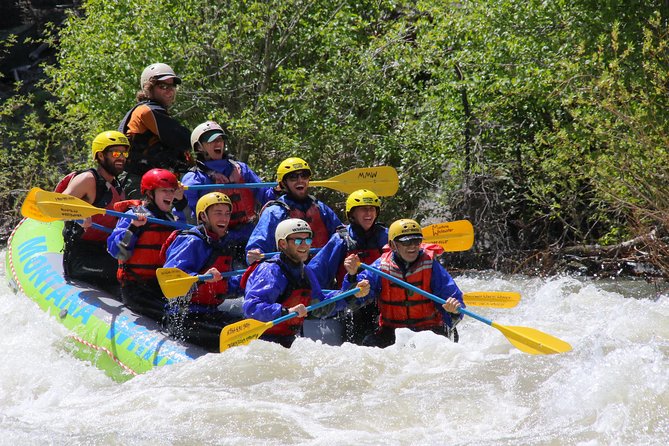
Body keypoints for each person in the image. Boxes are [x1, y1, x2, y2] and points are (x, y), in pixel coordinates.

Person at [242, 218, 370, 348]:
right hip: (262, 340)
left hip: (288, 340)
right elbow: (251, 307)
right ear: (282, 244)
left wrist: (352, 289)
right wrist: (286, 312)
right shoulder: (270, 271)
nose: (304, 245)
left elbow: (321, 307)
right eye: (298, 240)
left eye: (308, 240)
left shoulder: (305, 272)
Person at [341, 218, 464, 348]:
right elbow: (351, 301)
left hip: (429, 332)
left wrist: (454, 310)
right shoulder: (380, 267)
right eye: (406, 242)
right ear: (393, 245)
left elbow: (454, 302)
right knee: (368, 344)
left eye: (417, 241)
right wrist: (353, 279)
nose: (413, 246)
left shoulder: (431, 266)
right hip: (392, 333)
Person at [161, 192, 246, 351]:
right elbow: (170, 279)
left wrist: (251, 277)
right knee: (235, 340)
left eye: (227, 214)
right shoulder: (192, 241)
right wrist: (200, 278)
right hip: (184, 316)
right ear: (204, 217)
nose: (224, 219)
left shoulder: (222, 243)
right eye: (218, 213)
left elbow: (226, 286)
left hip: (210, 313)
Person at [306, 189, 388, 344]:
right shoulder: (341, 239)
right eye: (363, 209)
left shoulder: (386, 236)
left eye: (372, 209)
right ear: (352, 214)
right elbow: (317, 272)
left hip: (382, 300)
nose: (368, 213)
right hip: (351, 301)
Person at [56, 130, 129, 294]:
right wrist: (79, 215)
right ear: (101, 156)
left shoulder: (118, 186)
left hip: (104, 252)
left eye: (125, 152)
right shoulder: (88, 179)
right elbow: (56, 207)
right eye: (116, 152)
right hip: (80, 258)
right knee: (127, 272)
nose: (122, 157)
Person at [180, 120, 277, 244]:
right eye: (212, 140)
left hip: (249, 235)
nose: (218, 143)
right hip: (214, 240)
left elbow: (266, 197)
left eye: (220, 139)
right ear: (199, 147)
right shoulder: (194, 179)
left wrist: (278, 189)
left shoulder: (241, 169)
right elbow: (189, 217)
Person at [107, 169, 181, 321]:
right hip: (136, 290)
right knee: (174, 317)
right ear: (150, 193)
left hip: (161, 288)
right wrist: (133, 228)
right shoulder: (133, 216)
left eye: (172, 191)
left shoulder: (172, 219)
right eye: (164, 191)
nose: (170, 195)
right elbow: (118, 252)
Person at [245, 157, 342, 264]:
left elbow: (340, 232)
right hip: (289, 273)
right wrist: (254, 254)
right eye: (293, 177)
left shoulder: (320, 208)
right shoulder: (274, 212)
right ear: (283, 184)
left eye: (304, 176)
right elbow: (257, 245)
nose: (300, 180)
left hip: (321, 271)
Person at [118, 62, 192, 199]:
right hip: (138, 181)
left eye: (172, 86)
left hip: (150, 181)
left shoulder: (151, 111)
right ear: (149, 88)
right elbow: (184, 140)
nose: (169, 90)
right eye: (163, 86)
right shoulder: (148, 111)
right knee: (147, 219)